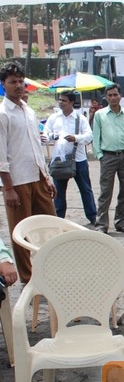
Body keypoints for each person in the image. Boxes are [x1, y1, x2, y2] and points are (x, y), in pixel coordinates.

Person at [0, 62, 56, 283]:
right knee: (20, 232)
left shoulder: (29, 111)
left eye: (21, 81)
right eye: (13, 82)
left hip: (38, 177)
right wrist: (9, 188)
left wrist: (47, 178)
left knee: (49, 227)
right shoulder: (3, 114)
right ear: (4, 85)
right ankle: (28, 278)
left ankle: (50, 272)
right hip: (18, 181)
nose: (18, 86)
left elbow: (36, 149)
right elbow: (1, 154)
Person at [43, 91, 97, 225]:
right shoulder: (54, 118)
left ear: (72, 102)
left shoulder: (80, 119)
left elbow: (90, 136)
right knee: (59, 191)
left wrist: (76, 138)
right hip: (60, 160)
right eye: (60, 100)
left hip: (78, 160)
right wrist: (50, 137)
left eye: (64, 100)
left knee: (85, 189)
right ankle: (58, 218)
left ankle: (93, 217)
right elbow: (45, 135)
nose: (61, 102)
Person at [92, 83, 124, 234]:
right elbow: (96, 137)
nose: (113, 98)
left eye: (115, 94)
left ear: (120, 96)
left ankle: (121, 220)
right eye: (109, 95)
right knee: (106, 191)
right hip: (107, 156)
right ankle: (101, 224)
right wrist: (100, 155)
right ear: (106, 97)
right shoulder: (100, 115)